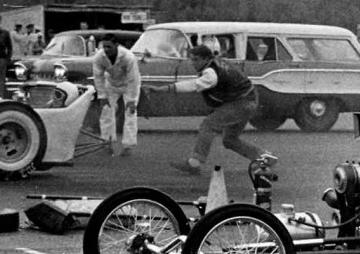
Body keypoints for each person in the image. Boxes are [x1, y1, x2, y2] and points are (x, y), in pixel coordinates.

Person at [149, 44, 274, 176]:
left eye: (196, 59)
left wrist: (163, 89)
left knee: (209, 125)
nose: (193, 63)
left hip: (242, 103)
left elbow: (194, 85)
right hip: (248, 100)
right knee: (230, 140)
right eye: (191, 59)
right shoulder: (217, 63)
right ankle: (266, 158)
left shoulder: (211, 73)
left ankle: (194, 163)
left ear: (205, 59)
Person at [93, 32, 141, 156]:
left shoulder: (128, 57)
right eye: (104, 46)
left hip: (129, 85)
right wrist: (102, 96)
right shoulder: (99, 57)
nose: (106, 49)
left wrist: (131, 100)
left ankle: (128, 146)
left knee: (130, 113)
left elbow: (133, 79)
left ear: (117, 45)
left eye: (109, 46)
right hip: (111, 84)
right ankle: (106, 143)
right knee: (106, 111)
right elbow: (98, 77)